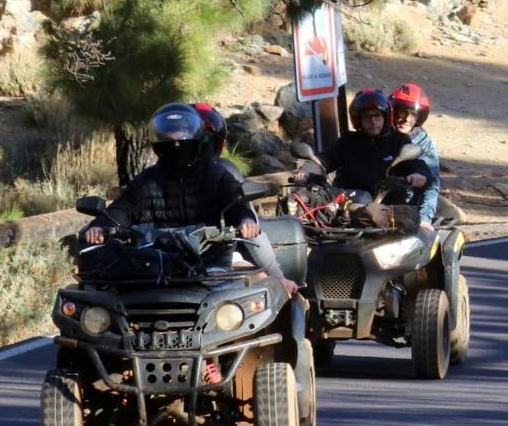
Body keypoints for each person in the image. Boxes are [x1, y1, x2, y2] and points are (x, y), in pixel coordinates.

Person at [83, 104, 294, 295]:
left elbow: (236, 202)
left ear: (195, 141)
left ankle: (286, 292)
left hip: (213, 262)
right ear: (158, 145)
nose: (176, 146)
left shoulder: (217, 175)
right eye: (169, 141)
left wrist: (245, 220)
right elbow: (121, 210)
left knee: (264, 287)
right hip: (155, 265)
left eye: (182, 139)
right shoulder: (145, 182)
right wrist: (101, 227)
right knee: (96, 296)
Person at [320, 89, 405, 197]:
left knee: (409, 213)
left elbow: (416, 164)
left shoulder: (399, 140)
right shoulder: (348, 141)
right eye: (367, 117)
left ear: (385, 117)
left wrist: (417, 174)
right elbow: (325, 159)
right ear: (358, 120)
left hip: (389, 206)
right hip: (350, 204)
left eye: (377, 116)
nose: (373, 121)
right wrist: (307, 170)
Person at [388, 84, 443, 232]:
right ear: (392, 111)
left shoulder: (424, 144)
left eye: (413, 114)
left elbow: (432, 185)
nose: (406, 119)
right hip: (375, 203)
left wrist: (424, 218)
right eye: (402, 112)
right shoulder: (380, 135)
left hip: (407, 209)